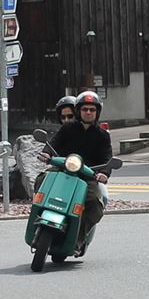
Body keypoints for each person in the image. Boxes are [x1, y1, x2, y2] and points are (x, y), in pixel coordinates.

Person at [42, 89, 114, 254]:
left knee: (95, 205)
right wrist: (46, 153)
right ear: (78, 111)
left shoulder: (102, 135)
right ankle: (39, 217)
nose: (88, 112)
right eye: (85, 109)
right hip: (63, 170)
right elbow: (53, 143)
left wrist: (104, 173)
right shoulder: (67, 128)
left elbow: (107, 158)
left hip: (87, 177)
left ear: (97, 112)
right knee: (41, 181)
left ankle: (78, 239)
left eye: (92, 109)